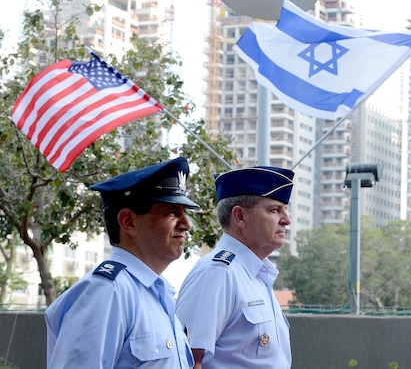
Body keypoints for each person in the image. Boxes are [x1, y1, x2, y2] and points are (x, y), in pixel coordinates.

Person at [45, 157, 198, 368]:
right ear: (128, 222)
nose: (186, 225)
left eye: (184, 213)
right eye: (172, 212)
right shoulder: (106, 292)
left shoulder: (158, 294)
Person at [176, 166, 294, 369]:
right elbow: (188, 361)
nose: (287, 220)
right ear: (239, 217)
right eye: (275, 210)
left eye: (285, 209)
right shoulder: (218, 273)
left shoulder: (257, 275)